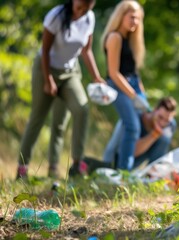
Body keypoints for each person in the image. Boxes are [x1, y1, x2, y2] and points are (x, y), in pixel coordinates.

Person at [17, 0, 105, 179]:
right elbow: (45, 49)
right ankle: (22, 168)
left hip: (70, 72)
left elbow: (86, 50)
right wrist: (48, 79)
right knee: (38, 117)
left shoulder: (89, 18)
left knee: (80, 110)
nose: (81, 12)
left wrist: (96, 76)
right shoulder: (56, 16)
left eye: (86, 8)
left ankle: (75, 165)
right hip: (45, 69)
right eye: (79, 6)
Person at [101, 0, 149, 171]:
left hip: (133, 85)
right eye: (132, 17)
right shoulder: (115, 37)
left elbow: (134, 72)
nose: (135, 22)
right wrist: (134, 96)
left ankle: (111, 162)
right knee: (132, 126)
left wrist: (142, 95)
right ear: (121, 16)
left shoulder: (132, 39)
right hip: (118, 87)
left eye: (138, 19)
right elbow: (114, 73)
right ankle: (124, 170)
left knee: (144, 124)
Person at [103, 97, 177, 170]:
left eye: (166, 120)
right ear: (154, 110)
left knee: (164, 140)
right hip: (118, 156)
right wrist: (154, 134)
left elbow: (161, 151)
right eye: (160, 117)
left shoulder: (170, 125)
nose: (162, 123)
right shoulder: (135, 118)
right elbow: (131, 151)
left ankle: (153, 176)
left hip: (138, 160)